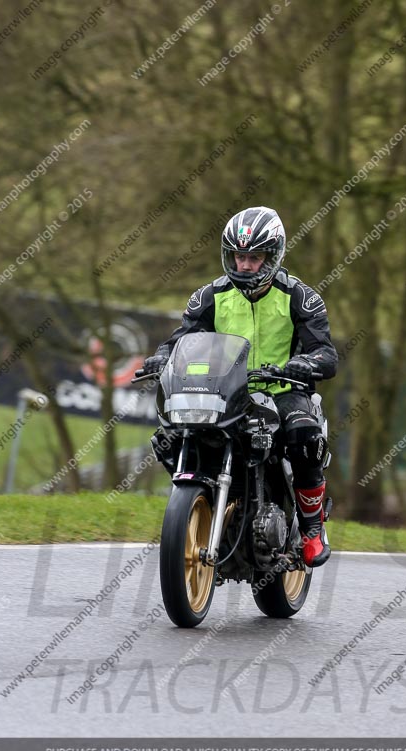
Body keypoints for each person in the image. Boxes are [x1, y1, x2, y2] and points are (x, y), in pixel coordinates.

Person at [143, 206, 338, 567]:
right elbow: (180, 340)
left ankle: (312, 527)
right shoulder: (209, 296)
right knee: (168, 436)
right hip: (227, 392)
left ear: (274, 255)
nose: (244, 265)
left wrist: (305, 363)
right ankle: (199, 500)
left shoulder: (300, 297)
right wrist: (161, 357)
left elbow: (326, 354)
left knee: (304, 435)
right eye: (238, 256)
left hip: (283, 391)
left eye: (254, 257)